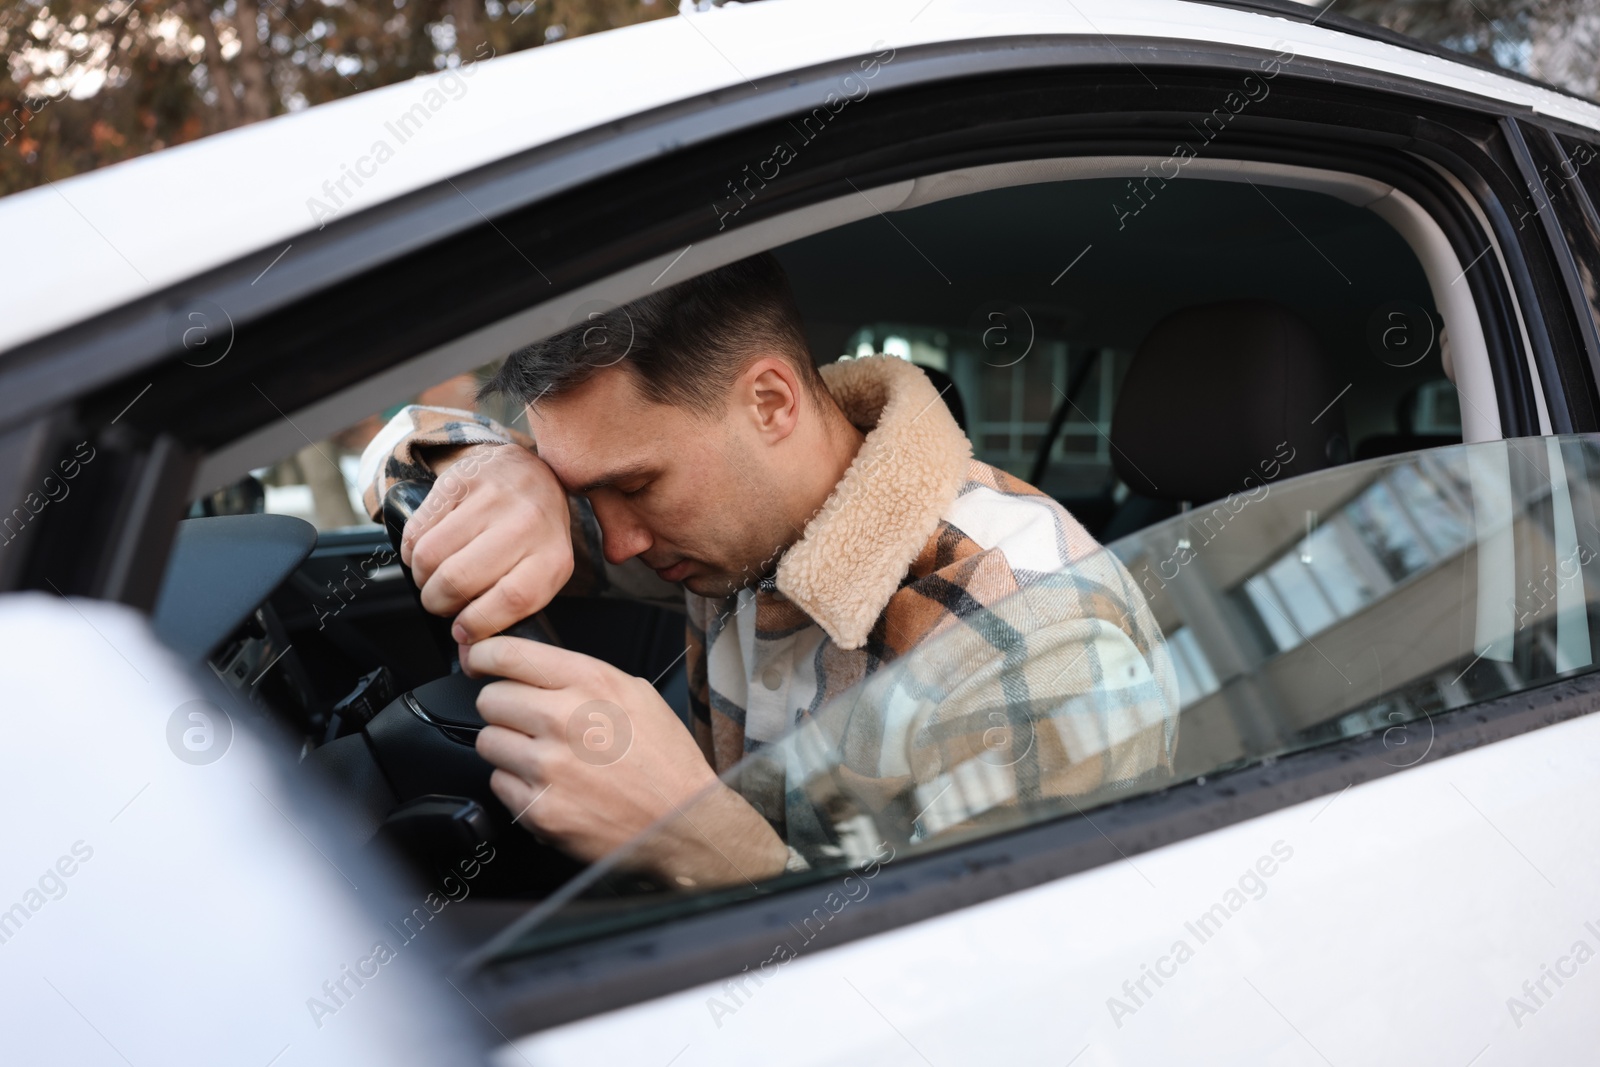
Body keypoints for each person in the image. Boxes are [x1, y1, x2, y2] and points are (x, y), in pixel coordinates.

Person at [357, 253, 1177, 889]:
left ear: (772, 404)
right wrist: (500, 474)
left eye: (636, 485)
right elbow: (391, 446)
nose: (614, 542)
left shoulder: (1038, 639)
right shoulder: (732, 523)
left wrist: (705, 842)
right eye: (583, 491)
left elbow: (1003, 1015)